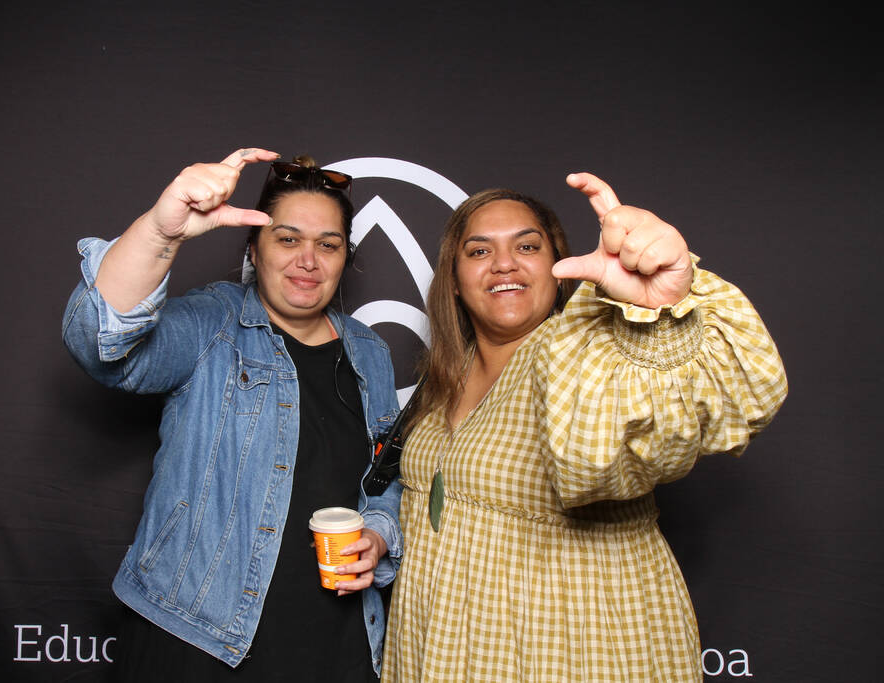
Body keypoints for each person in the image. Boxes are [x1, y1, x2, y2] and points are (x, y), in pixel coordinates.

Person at [380, 173, 788, 681]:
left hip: (565, 642)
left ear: (558, 267)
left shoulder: (583, 353)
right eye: (479, 252)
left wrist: (653, 312)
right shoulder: (448, 371)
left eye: (526, 246)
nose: (504, 263)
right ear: (455, 281)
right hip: (441, 640)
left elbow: (612, 455)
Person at [61, 148, 402, 681]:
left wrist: (379, 533)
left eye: (328, 245)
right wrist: (161, 231)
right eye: (287, 239)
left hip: (335, 644)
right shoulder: (213, 321)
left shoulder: (370, 352)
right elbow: (102, 343)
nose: (307, 261)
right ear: (253, 247)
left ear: (345, 257)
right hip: (195, 638)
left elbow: (387, 477)